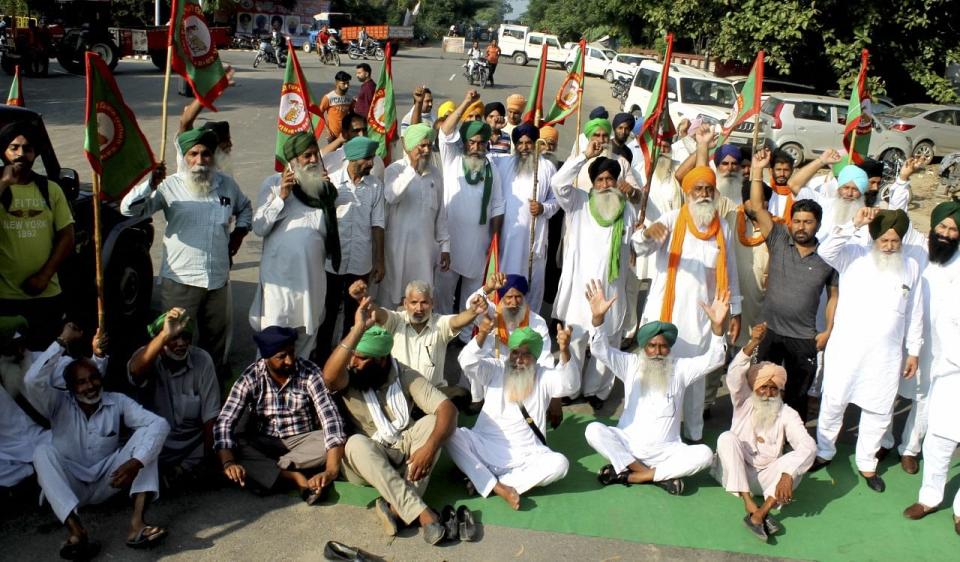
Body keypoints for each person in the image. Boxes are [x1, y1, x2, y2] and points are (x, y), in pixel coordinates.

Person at [27, 323, 170, 559]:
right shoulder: (57, 403)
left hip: (109, 481)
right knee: (42, 451)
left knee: (147, 445)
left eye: (94, 379)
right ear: (70, 389)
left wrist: (136, 462)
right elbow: (33, 380)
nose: (90, 386)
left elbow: (159, 424)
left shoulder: (117, 401)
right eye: (81, 382)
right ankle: (77, 532)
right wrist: (63, 341)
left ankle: (138, 526)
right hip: (69, 484)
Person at [322, 304, 458, 545]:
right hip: (367, 462)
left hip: (402, 453)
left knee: (432, 424)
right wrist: (357, 330)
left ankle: (395, 509)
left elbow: (447, 409)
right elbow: (330, 377)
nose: (353, 362)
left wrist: (429, 447)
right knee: (354, 444)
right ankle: (422, 513)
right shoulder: (349, 377)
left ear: (382, 359)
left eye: (362, 358)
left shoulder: (403, 373)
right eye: (353, 356)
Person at [121, 129, 252, 378]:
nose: (200, 160)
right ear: (185, 157)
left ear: (213, 156)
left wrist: (239, 233)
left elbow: (245, 208)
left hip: (217, 282)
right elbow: (129, 210)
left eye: (205, 154)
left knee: (216, 343)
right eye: (193, 154)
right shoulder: (169, 186)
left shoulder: (227, 185)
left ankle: (213, 389)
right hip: (181, 282)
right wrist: (149, 184)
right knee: (176, 342)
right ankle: (173, 390)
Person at [812, 207, 923, 493]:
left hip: (885, 357)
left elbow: (914, 312)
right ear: (873, 239)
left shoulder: (910, 266)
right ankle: (824, 451)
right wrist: (854, 223)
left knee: (879, 410)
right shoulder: (853, 255)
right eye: (883, 240)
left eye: (894, 241)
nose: (888, 247)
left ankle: (867, 463)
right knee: (835, 402)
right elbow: (825, 250)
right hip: (847, 350)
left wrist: (913, 351)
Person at [585, 280, 729, 495]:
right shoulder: (630, 364)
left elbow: (715, 359)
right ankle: (656, 475)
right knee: (593, 430)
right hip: (629, 444)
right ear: (644, 347)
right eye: (652, 346)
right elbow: (600, 350)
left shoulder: (680, 368)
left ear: (669, 348)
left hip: (668, 452)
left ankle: (632, 475)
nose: (658, 351)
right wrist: (598, 319)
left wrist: (718, 330)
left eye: (663, 346)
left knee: (705, 454)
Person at [633, 166, 742, 441]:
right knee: (658, 378)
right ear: (688, 193)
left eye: (708, 189)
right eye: (698, 189)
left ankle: (693, 436)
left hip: (701, 318)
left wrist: (735, 312)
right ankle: (654, 432)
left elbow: (730, 271)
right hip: (665, 315)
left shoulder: (723, 229)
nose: (704, 194)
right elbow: (639, 247)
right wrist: (646, 234)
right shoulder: (670, 220)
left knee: (695, 381)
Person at [747, 149, 838, 421]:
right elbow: (757, 207)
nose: (801, 227)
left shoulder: (828, 257)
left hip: (804, 339)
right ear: (790, 222)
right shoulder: (777, 238)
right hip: (770, 332)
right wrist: (758, 169)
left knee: (796, 398)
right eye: (797, 221)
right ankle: (760, 435)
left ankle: (791, 446)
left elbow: (834, 295)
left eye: (808, 222)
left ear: (817, 225)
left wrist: (828, 330)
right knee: (763, 387)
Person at [451, 318, 577, 509]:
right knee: (451, 434)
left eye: (526, 355)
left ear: (535, 358)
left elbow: (570, 384)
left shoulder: (544, 376)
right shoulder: (497, 368)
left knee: (560, 464)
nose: (518, 360)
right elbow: (466, 362)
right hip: (485, 445)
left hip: (526, 455)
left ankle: (488, 481)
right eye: (515, 352)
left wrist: (565, 350)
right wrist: (483, 333)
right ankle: (498, 486)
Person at [550, 140, 636, 410]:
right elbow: (557, 184)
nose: (605, 184)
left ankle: (596, 391)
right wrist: (584, 156)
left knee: (608, 342)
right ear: (593, 182)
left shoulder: (627, 211)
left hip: (611, 290)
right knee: (575, 339)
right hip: (580, 289)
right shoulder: (578, 203)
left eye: (611, 178)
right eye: (600, 179)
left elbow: (637, 244)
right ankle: (570, 387)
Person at [215, 326, 346, 503]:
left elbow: (330, 418)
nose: (290, 361)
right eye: (281, 356)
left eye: (292, 353)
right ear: (266, 358)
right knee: (233, 447)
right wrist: (228, 463)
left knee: (333, 442)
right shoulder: (251, 377)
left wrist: (331, 471)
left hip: (303, 441)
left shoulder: (309, 372)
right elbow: (225, 421)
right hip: (264, 440)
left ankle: (271, 473)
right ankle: (295, 478)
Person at [712, 322, 816, 541]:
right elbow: (733, 375)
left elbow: (807, 446)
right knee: (726, 439)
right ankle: (751, 506)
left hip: (768, 480)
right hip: (735, 473)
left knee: (798, 461)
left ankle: (762, 512)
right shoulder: (744, 401)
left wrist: (788, 474)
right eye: (763, 387)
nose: (768, 393)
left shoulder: (787, 413)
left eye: (773, 388)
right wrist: (753, 342)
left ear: (780, 390)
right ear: (754, 387)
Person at [250, 133, 338, 359]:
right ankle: (264, 390)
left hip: (311, 281)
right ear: (293, 161)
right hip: (281, 285)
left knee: (305, 343)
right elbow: (259, 227)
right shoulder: (272, 184)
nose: (312, 160)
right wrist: (281, 196)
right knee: (273, 344)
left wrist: (327, 195)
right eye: (306, 156)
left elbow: (329, 235)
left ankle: (299, 390)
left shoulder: (322, 188)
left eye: (314, 155)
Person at [903, 201, 960, 533]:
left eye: (955, 229)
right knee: (939, 437)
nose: (948, 234)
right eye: (945, 227)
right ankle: (929, 497)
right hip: (947, 367)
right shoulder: (921, 254)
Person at [347, 278, 485, 406]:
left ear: (432, 303)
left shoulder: (440, 324)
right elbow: (378, 314)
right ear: (405, 303)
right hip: (399, 394)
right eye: (414, 302)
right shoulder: (396, 320)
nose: (419, 308)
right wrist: (362, 299)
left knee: (461, 395)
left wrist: (473, 311)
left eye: (424, 302)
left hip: (432, 394)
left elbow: (457, 321)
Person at [0, 122, 75, 351]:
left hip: (46, 295)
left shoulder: (50, 189)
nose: (21, 154)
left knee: (46, 360)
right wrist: (4, 183)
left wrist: (44, 276)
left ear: (35, 154)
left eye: (28, 148)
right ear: (3, 151)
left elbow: (67, 235)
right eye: (14, 147)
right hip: (5, 298)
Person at [128, 309, 219, 484]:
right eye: (174, 338)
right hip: (155, 445)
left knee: (229, 433)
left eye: (185, 337)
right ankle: (166, 474)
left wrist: (209, 460)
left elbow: (211, 416)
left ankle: (181, 470)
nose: (181, 343)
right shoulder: (148, 356)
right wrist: (163, 336)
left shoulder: (202, 359)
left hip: (192, 446)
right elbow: (135, 371)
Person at [435, 91, 505, 319]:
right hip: (450, 241)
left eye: (481, 143)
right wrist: (466, 102)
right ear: (464, 143)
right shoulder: (452, 159)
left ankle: (466, 336)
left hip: (479, 242)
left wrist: (494, 240)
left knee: (473, 293)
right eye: (472, 142)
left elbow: (497, 205)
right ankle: (445, 329)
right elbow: (445, 133)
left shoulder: (491, 168)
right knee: (444, 292)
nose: (476, 147)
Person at [315, 136, 385, 361]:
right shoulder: (331, 182)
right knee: (328, 311)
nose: (371, 163)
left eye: (372, 158)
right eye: (367, 158)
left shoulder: (375, 185)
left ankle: (347, 359)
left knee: (354, 313)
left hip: (360, 262)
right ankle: (323, 357)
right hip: (332, 261)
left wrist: (379, 260)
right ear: (353, 158)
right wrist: (323, 192)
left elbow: (378, 225)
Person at [490, 123, 558, 313]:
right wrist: (491, 135)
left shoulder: (547, 168)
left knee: (532, 285)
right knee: (505, 282)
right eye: (520, 143)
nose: (525, 147)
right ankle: (501, 326)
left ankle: (531, 328)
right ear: (514, 145)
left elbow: (556, 200)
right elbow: (480, 155)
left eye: (529, 143)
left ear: (536, 143)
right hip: (507, 240)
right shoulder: (503, 163)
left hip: (533, 242)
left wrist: (543, 207)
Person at [381, 123, 450, 308]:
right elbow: (391, 196)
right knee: (395, 299)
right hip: (398, 250)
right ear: (409, 147)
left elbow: (440, 214)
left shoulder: (435, 174)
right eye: (422, 146)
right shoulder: (394, 170)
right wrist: (411, 169)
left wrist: (445, 247)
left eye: (429, 145)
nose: (427, 151)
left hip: (426, 252)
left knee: (422, 298)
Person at [786, 149, 867, 235]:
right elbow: (794, 185)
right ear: (838, 188)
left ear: (862, 192)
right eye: (846, 188)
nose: (849, 193)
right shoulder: (823, 204)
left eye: (855, 189)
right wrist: (821, 161)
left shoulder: (867, 219)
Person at [176, 65, 236, 175]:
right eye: (225, 143)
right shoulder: (188, 153)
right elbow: (185, 123)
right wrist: (211, 91)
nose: (199, 160)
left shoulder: (225, 177)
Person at [321, 112, 386, 181]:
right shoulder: (330, 160)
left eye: (364, 130)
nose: (361, 135)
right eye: (356, 131)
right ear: (345, 134)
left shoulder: (377, 160)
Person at [319, 71, 355, 142]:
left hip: (346, 136)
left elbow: (352, 115)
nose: (346, 86)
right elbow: (319, 114)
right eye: (343, 83)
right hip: (333, 136)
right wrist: (327, 130)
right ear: (337, 83)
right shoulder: (328, 97)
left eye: (348, 83)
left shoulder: (350, 99)